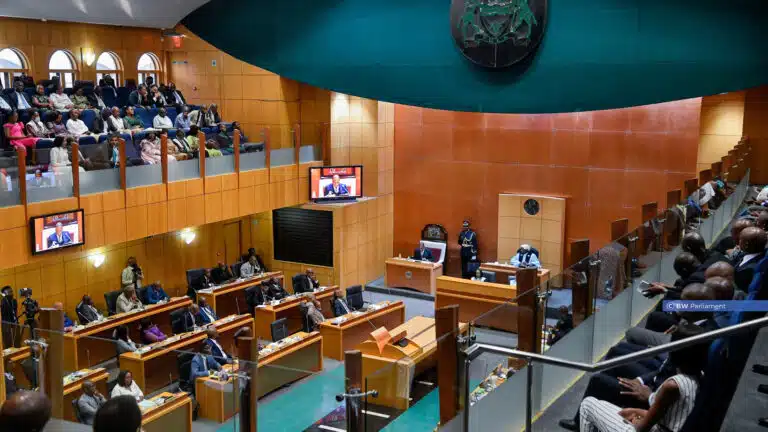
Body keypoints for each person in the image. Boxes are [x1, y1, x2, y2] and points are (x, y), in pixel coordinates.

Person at [577, 324, 706, 432]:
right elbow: (666, 418)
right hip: (659, 426)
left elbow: (641, 429)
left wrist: (636, 419)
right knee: (606, 407)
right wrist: (635, 411)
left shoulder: (672, 385)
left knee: (588, 405)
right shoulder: (699, 377)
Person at [734, 226, 767, 292]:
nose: (738, 241)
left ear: (746, 244)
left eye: (740, 239)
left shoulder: (748, 270)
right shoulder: (762, 254)